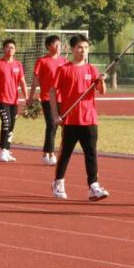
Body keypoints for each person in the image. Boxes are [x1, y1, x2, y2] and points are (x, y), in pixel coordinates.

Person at [49, 35, 109, 202]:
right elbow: (52, 91)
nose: (83, 51)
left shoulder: (92, 70)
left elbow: (102, 91)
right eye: (80, 47)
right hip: (70, 119)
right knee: (65, 153)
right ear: (72, 49)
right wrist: (55, 114)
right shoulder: (63, 69)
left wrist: (101, 81)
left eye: (86, 48)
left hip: (89, 119)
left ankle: (93, 186)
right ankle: (58, 182)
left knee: (91, 154)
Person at [27, 35, 68, 166]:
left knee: (61, 126)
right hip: (47, 98)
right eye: (56, 44)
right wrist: (30, 98)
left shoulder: (64, 61)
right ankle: (50, 153)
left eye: (60, 44)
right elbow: (35, 81)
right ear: (48, 46)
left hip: (61, 98)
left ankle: (47, 152)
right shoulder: (42, 61)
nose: (59, 47)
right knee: (51, 125)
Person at [0, 39, 28, 163]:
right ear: (4, 49)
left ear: (15, 50)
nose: (10, 49)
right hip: (2, 99)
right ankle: (2, 150)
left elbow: (22, 81)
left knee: (11, 125)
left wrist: (26, 96)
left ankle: (7, 150)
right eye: (7, 47)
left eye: (12, 47)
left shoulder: (18, 64)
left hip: (14, 100)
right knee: (6, 123)